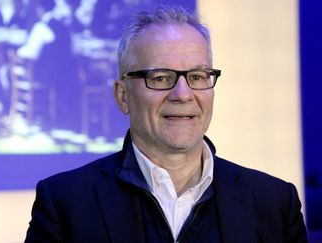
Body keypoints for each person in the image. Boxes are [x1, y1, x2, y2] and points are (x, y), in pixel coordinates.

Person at [24, 5, 308, 242]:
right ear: (123, 96)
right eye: (160, 77)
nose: (183, 94)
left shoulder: (275, 203)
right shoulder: (65, 205)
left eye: (197, 76)